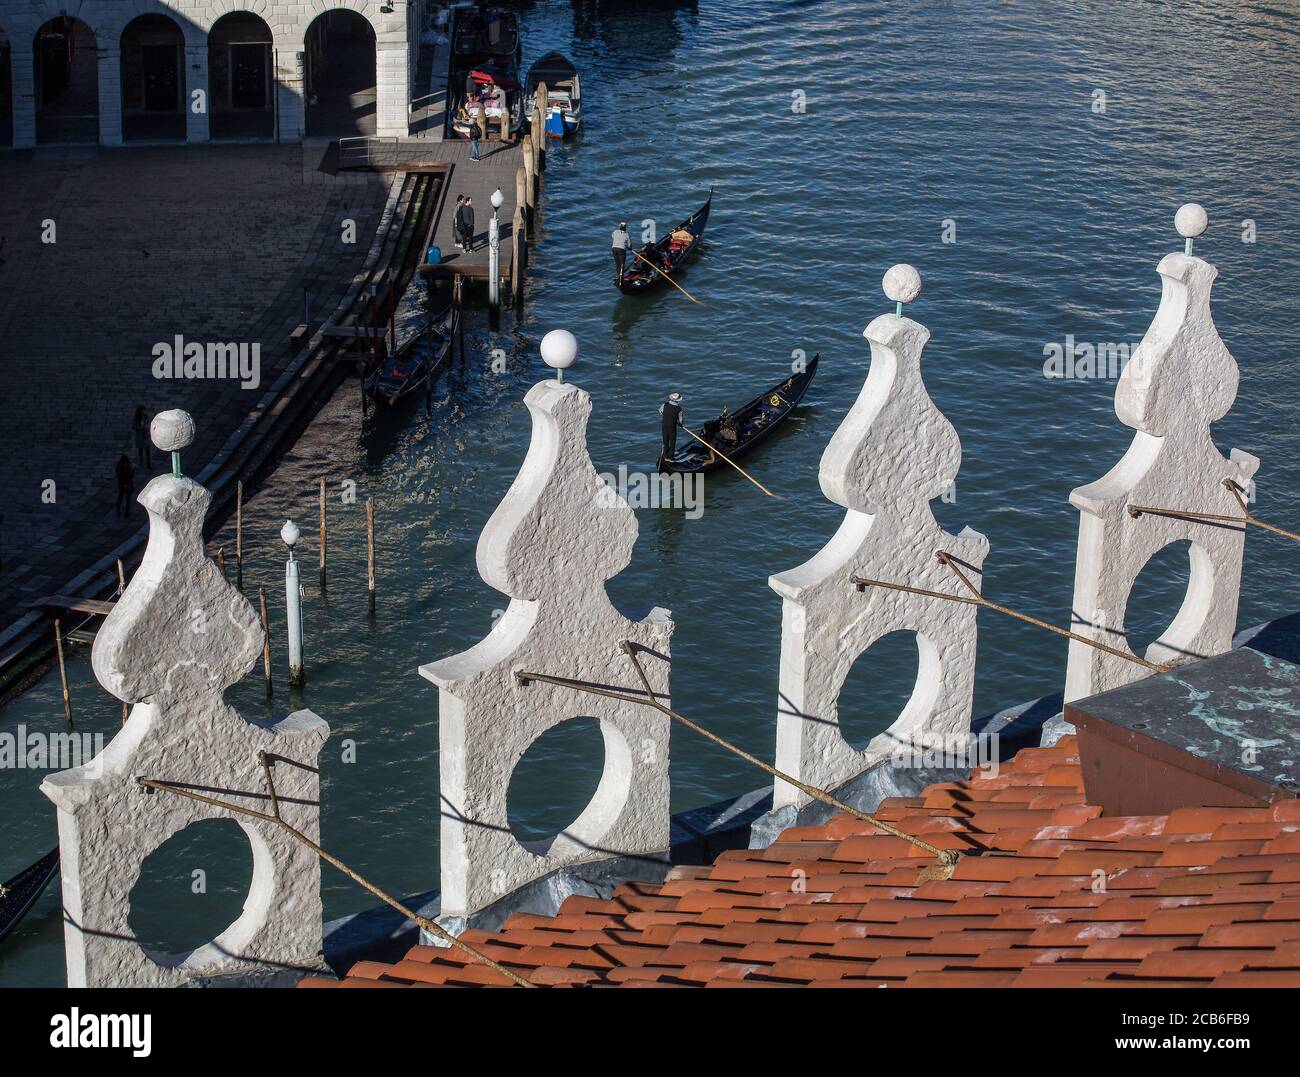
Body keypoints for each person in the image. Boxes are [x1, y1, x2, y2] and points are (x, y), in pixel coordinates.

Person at [659, 391, 684, 463]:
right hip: (672, 427)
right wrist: (680, 424)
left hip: (664, 425)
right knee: (672, 442)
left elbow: (660, 411)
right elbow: (680, 420)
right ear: (678, 400)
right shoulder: (679, 409)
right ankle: (671, 457)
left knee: (665, 441)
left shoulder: (665, 404)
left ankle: (665, 456)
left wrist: (666, 416)